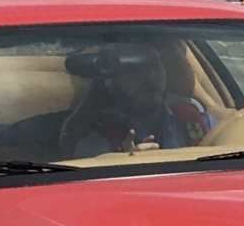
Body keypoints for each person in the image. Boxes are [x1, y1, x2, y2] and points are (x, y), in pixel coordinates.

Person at [59, 39, 217, 157]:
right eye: (135, 70)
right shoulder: (96, 145)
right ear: (110, 81)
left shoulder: (203, 124)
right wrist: (122, 167)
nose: (149, 78)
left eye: (154, 66)